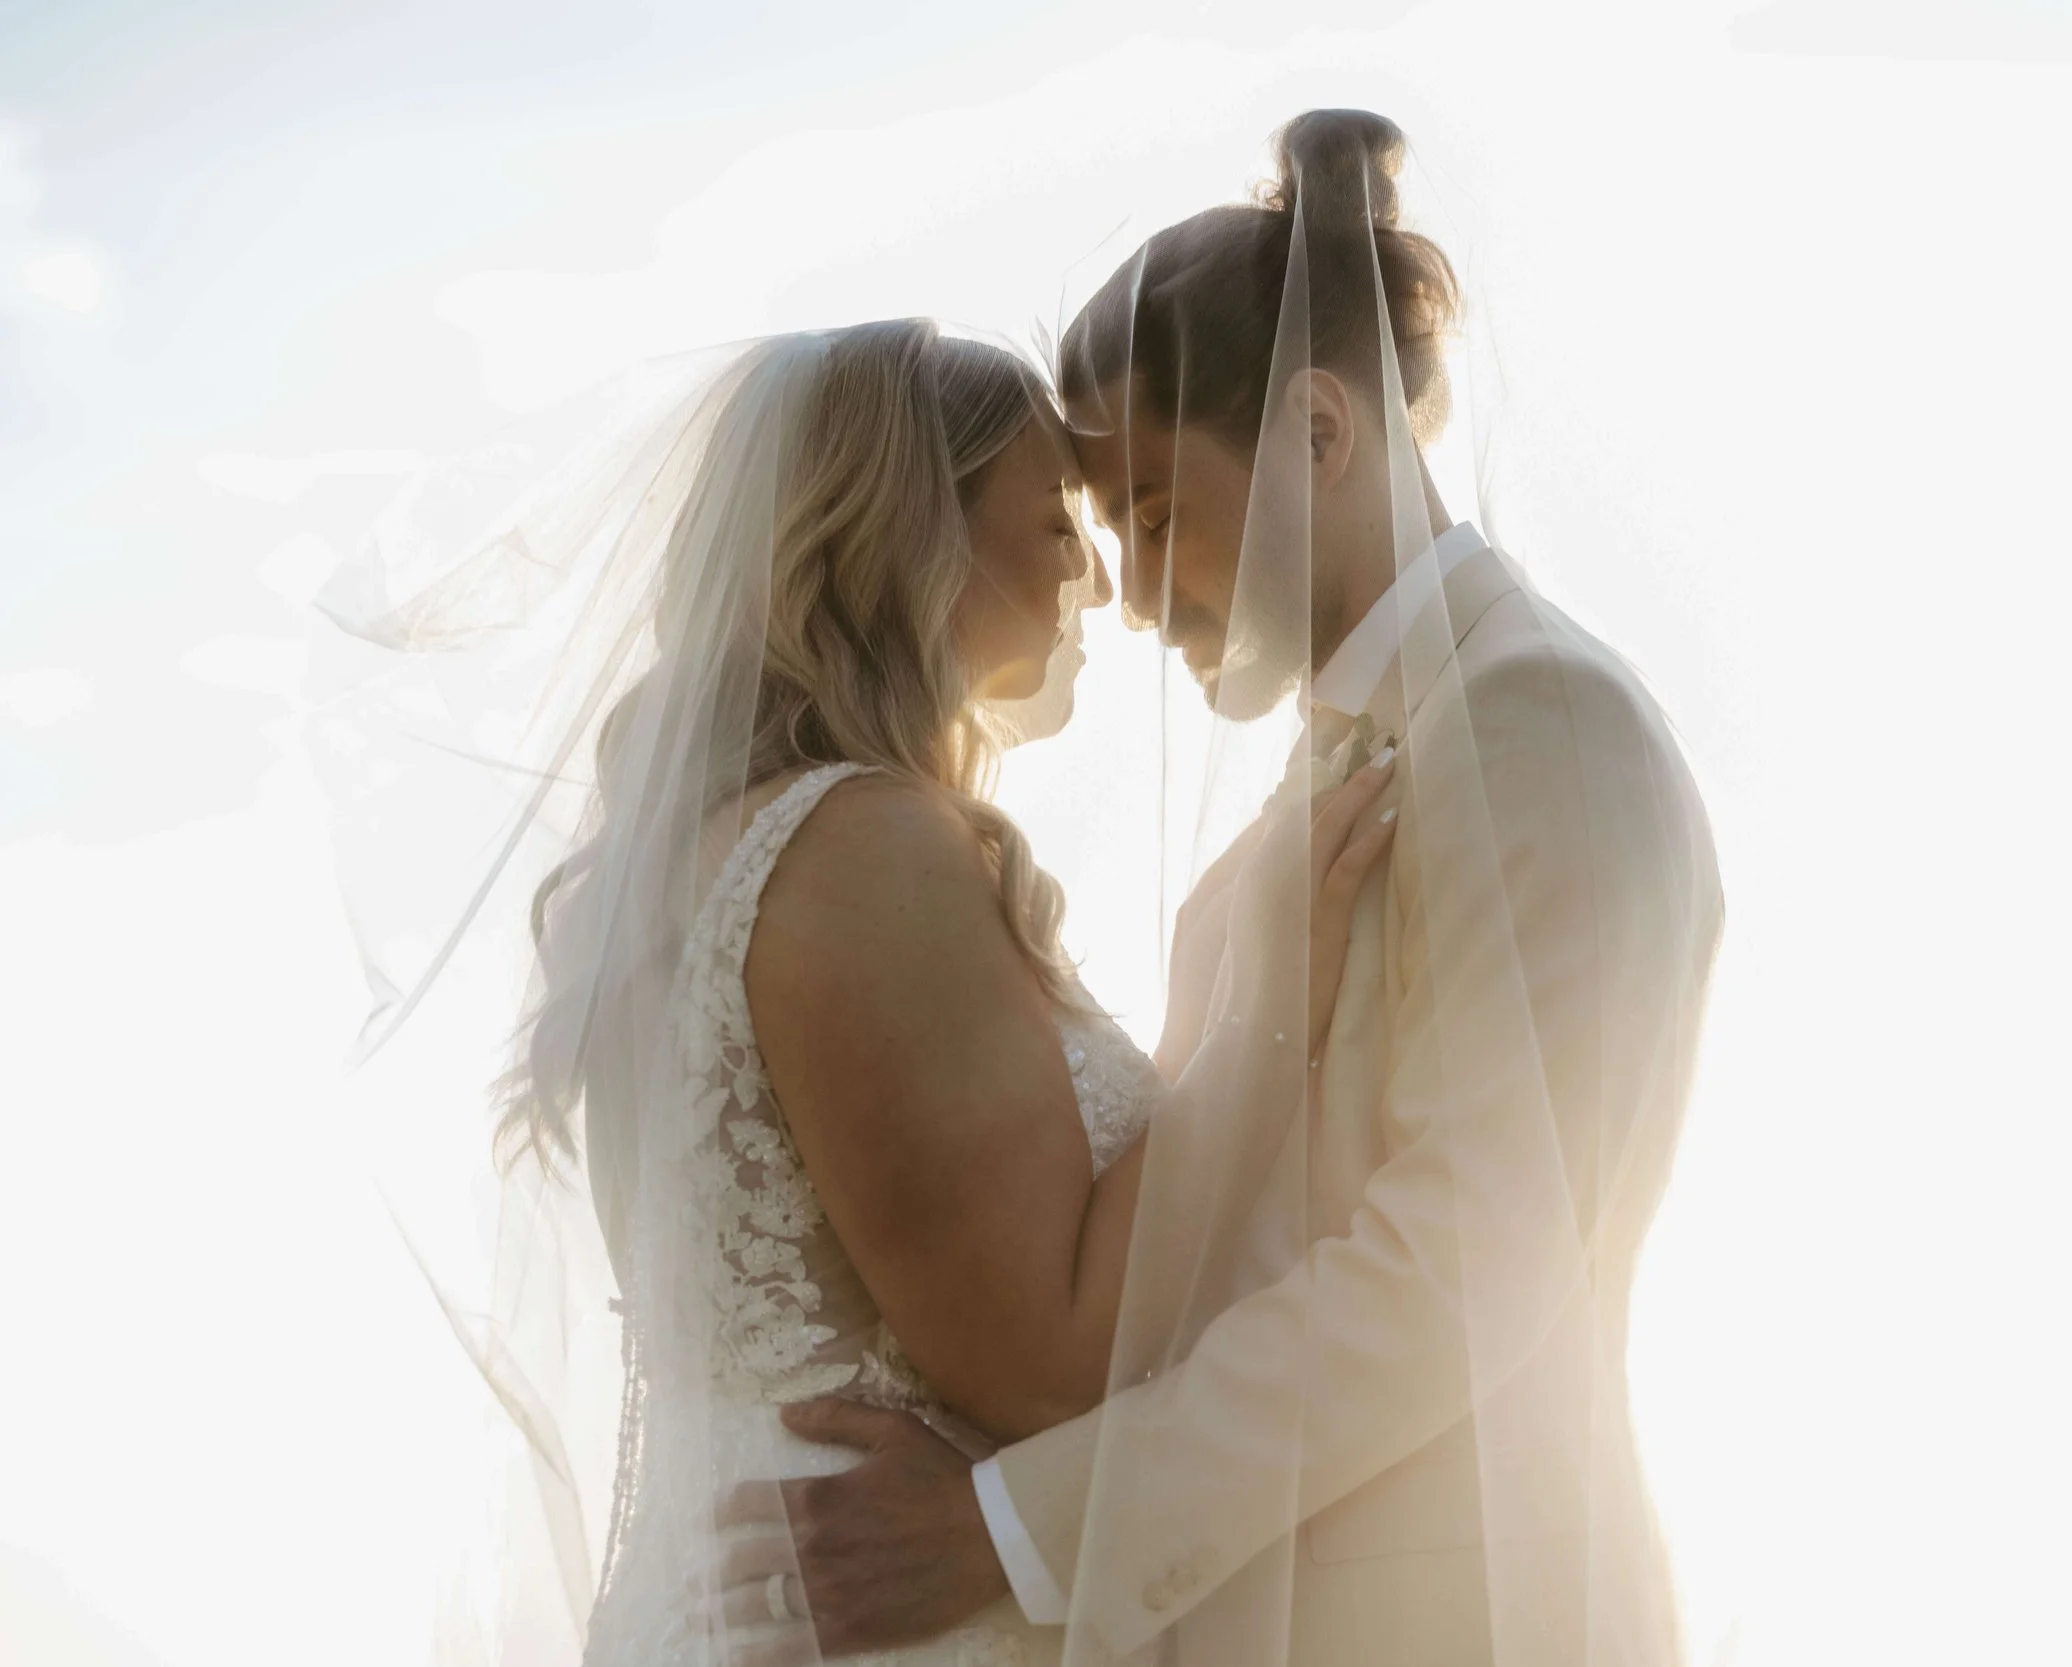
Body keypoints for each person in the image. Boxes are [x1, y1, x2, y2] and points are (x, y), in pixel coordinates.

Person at [737, 110, 1725, 1667]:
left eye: (1154, 517)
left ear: (1321, 436)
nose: (1129, 596)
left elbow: (1469, 1260)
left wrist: (1014, 1523)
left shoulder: (1540, 723)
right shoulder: (1345, 755)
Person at [322, 317, 1400, 1667]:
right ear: (915, 533)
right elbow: (1052, 1354)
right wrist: (1261, 1002)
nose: (1097, 571)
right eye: (1057, 517)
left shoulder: (705, 867)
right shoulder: (862, 845)